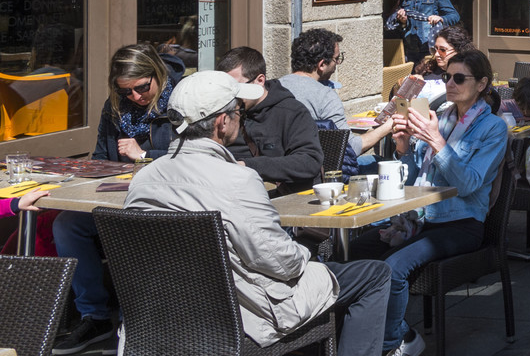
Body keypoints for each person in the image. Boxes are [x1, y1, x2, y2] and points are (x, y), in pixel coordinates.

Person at [124, 70, 390, 356]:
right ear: (222, 122)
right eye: (238, 110)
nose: (242, 115)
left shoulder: (142, 180)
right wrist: (305, 251)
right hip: (239, 317)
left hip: (160, 316)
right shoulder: (237, 180)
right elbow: (281, 263)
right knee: (374, 274)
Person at [353, 48, 508, 356]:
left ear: (481, 84)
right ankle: (390, 332)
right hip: (419, 217)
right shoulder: (438, 116)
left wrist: (437, 142)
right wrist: (404, 146)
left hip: (461, 223)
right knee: (351, 253)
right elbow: (413, 180)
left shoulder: (494, 129)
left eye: (459, 78)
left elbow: (468, 185)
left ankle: (391, 345)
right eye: (447, 76)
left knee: (393, 269)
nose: (450, 83)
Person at [53, 43, 187, 353]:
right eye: (126, 91)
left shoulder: (181, 101)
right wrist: (84, 173)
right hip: (120, 195)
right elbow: (102, 157)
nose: (136, 97)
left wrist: (144, 156)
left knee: (126, 224)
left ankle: (136, 321)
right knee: (67, 224)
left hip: (167, 197)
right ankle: (94, 315)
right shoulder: (115, 108)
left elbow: (191, 156)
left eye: (142, 87)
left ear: (157, 73)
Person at [216, 46, 326, 193]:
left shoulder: (292, 112)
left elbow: (309, 162)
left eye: (236, 87)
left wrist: (247, 165)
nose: (230, 95)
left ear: (260, 80)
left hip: (283, 199)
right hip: (233, 194)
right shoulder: (223, 111)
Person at [280, 27, 393, 156]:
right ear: (322, 64)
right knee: (377, 162)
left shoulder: (274, 87)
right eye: (336, 59)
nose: (337, 63)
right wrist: (388, 126)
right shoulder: (324, 96)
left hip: (276, 167)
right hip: (317, 170)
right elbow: (350, 148)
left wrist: (373, 130)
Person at [412, 25, 474, 109]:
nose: (436, 54)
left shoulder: (469, 76)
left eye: (442, 50)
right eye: (435, 49)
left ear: (459, 51)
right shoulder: (428, 71)